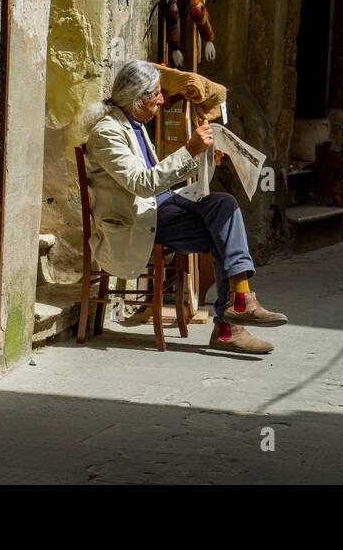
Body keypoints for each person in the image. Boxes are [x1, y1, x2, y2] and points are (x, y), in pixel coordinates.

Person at [83, 60, 288, 354]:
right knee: (223, 227)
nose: (161, 99)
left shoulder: (135, 126)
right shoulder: (107, 134)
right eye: (155, 93)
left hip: (158, 205)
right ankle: (233, 320)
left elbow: (152, 182)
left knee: (223, 211)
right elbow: (141, 183)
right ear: (136, 98)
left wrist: (201, 158)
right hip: (136, 218)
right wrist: (190, 150)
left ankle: (238, 309)